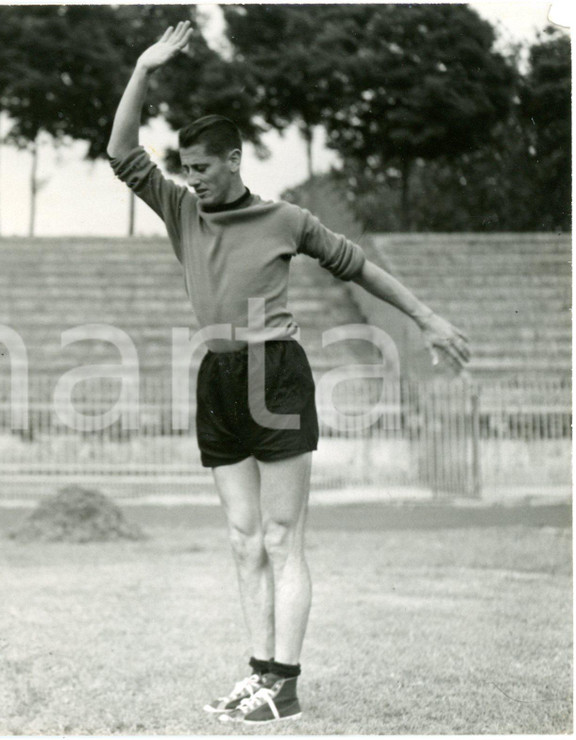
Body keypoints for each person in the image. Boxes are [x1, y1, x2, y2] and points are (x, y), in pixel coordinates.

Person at [107, 22, 470, 725]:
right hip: (217, 376)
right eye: (184, 167)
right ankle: (258, 672)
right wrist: (143, 69)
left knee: (281, 537)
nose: (190, 178)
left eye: (201, 168)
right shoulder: (181, 210)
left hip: (274, 374)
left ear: (235, 160)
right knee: (243, 539)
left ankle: (287, 682)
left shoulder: (286, 219)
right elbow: (120, 152)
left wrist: (427, 319)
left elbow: (360, 268)